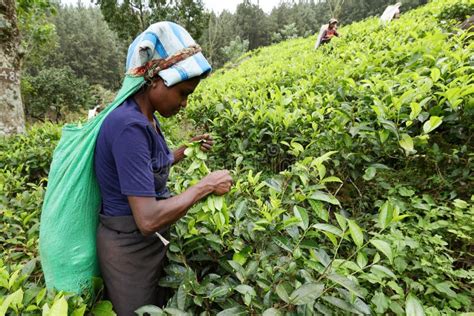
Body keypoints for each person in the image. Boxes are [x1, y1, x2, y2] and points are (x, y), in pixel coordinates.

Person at [94, 21, 233, 315]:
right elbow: (147, 219)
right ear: (155, 80)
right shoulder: (128, 126)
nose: (184, 104)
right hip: (129, 249)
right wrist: (205, 185)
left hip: (147, 243)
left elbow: (146, 166)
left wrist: (184, 150)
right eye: (183, 93)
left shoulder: (145, 117)